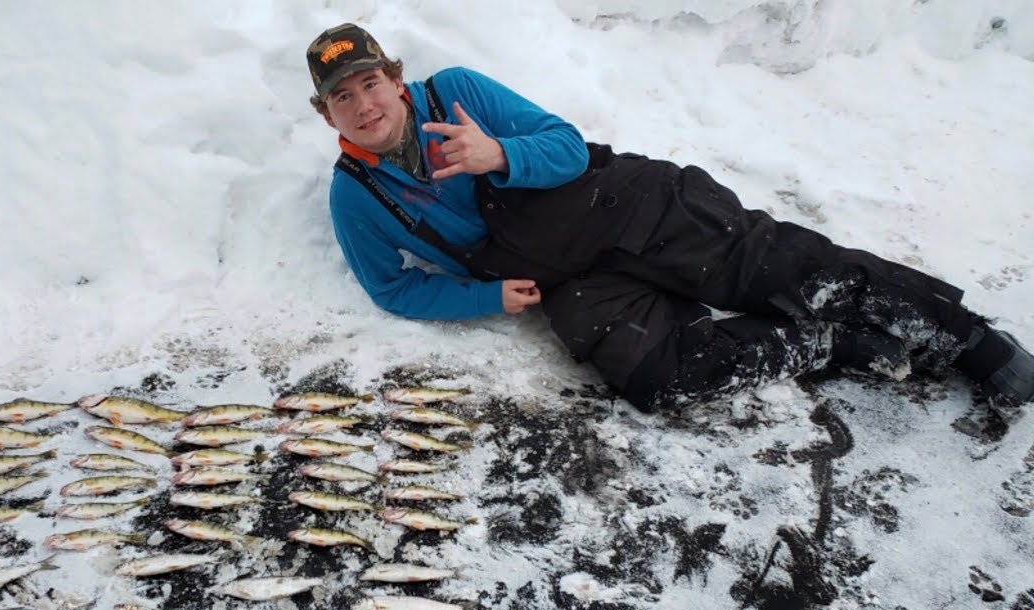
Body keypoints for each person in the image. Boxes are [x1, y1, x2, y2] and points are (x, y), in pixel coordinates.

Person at [305, 23, 1034, 412]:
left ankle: (972, 341)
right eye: (344, 97)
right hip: (570, 281)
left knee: (793, 272)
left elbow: (563, 145)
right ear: (326, 112)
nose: (365, 105)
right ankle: (824, 347)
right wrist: (486, 297)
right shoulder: (357, 196)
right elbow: (391, 289)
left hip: (634, 206)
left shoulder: (459, 91)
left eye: (372, 82)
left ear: (397, 80)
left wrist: (499, 153)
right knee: (660, 378)